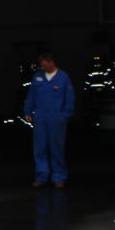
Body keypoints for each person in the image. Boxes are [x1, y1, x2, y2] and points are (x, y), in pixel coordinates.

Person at [23, 52, 75, 189]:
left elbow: (69, 99)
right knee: (40, 148)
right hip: (40, 118)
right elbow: (31, 95)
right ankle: (42, 176)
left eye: (45, 64)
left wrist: (64, 116)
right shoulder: (38, 77)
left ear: (52, 62)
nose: (43, 67)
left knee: (56, 148)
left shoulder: (63, 78)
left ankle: (58, 177)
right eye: (42, 65)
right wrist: (28, 111)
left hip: (56, 118)